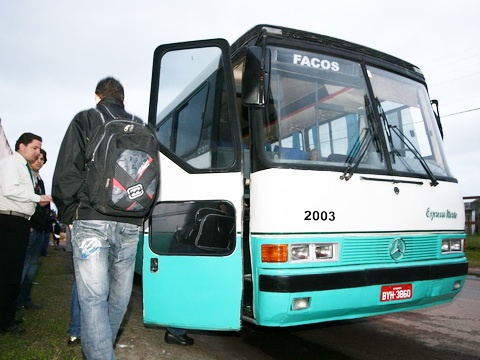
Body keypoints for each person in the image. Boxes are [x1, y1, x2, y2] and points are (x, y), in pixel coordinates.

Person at [52, 77, 147, 359]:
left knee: (93, 298)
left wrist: (71, 213)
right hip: (130, 220)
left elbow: (67, 172)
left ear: (98, 96)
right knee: (119, 298)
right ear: (123, 99)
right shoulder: (141, 126)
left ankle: (99, 354)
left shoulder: (86, 119)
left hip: (92, 219)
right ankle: (103, 351)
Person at [0, 133, 52, 334]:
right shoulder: (12, 163)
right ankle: (4, 321)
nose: (38, 152)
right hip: (9, 222)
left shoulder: (23, 167)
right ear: (21, 146)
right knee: (8, 273)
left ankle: (6, 317)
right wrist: (36, 197)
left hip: (18, 222)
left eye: (39, 148)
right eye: (35, 147)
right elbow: (9, 190)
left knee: (12, 273)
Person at [17, 148, 50, 310]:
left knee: (32, 265)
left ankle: (25, 298)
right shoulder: (24, 176)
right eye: (37, 157)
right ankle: (14, 301)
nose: (39, 161)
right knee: (22, 265)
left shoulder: (40, 180)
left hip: (39, 229)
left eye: (42, 159)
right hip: (28, 227)